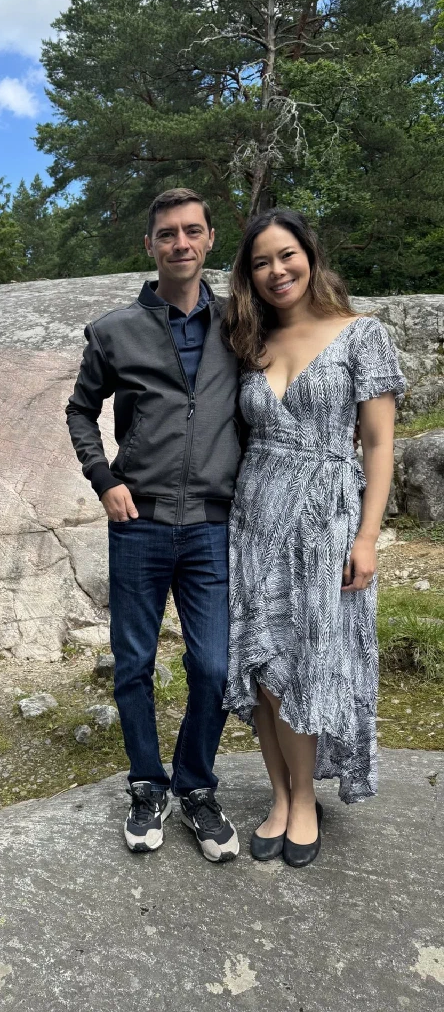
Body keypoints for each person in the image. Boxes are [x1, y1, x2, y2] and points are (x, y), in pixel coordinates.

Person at [222, 209, 405, 867]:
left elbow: (379, 444)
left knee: (304, 663)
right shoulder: (250, 342)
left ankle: (305, 801)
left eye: (287, 255)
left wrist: (368, 536)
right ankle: (280, 794)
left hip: (325, 523)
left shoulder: (362, 334)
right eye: (261, 262)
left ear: (310, 256)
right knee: (262, 666)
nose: (277, 270)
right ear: (249, 275)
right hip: (253, 521)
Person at [65, 188, 241, 861]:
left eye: (192, 231)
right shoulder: (114, 330)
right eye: (167, 233)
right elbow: (80, 410)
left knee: (214, 666)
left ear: (210, 238)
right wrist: (104, 478)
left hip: (212, 525)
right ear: (150, 245)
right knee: (134, 664)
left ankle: (195, 785)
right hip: (139, 523)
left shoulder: (240, 323)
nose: (180, 243)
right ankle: (147, 784)